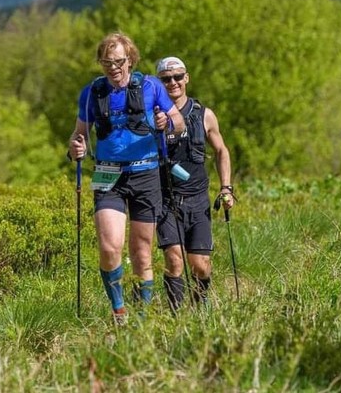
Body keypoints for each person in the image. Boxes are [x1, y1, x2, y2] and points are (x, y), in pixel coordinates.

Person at [68, 33, 185, 324]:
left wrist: (166, 122)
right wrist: (75, 147)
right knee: (109, 247)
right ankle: (119, 310)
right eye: (107, 62)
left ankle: (142, 318)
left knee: (141, 252)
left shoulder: (151, 87)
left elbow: (179, 122)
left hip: (145, 173)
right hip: (108, 176)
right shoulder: (92, 93)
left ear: (130, 59)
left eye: (119, 61)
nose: (113, 68)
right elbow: (78, 134)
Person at [154, 56, 235, 311]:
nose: (173, 83)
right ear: (159, 83)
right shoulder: (152, 117)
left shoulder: (204, 115)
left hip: (198, 200)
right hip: (166, 200)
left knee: (200, 265)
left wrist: (226, 188)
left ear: (186, 78)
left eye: (178, 77)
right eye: (166, 79)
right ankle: (175, 318)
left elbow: (222, 151)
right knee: (175, 260)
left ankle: (200, 310)